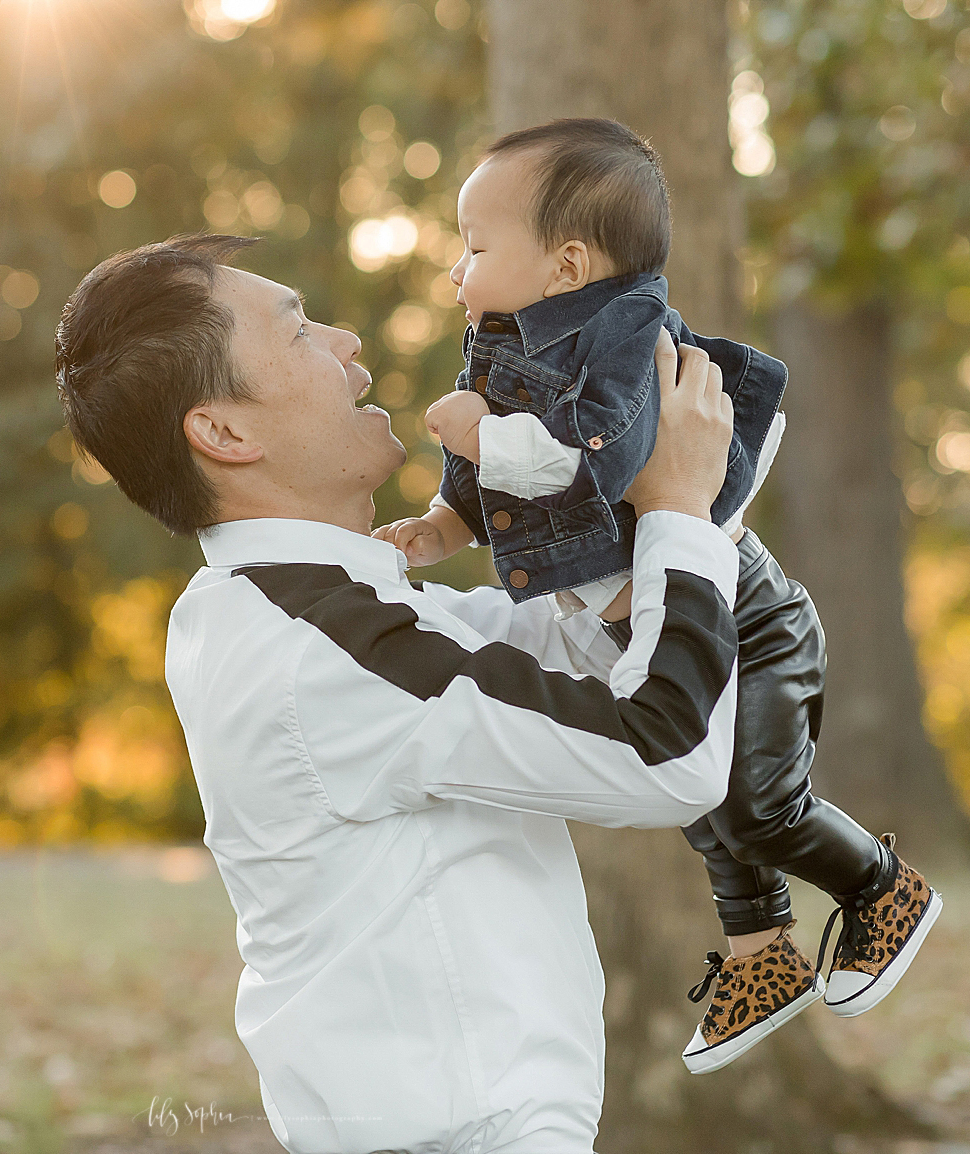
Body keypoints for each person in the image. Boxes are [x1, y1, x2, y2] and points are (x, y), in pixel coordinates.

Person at [54, 231, 741, 1152]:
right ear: (225, 433)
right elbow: (667, 753)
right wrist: (680, 512)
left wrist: (603, 471)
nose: (347, 344)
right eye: (299, 333)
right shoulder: (321, 647)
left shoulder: (293, 606)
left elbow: (561, 650)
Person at [372, 118, 940, 1074]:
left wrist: (484, 434)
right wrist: (443, 522)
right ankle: (763, 958)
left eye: (473, 248)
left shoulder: (629, 337)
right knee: (702, 803)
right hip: (644, 618)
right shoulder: (499, 342)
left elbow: (601, 463)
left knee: (753, 805)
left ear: (565, 264)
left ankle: (882, 888)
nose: (456, 271)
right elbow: (490, 491)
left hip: (747, 616)